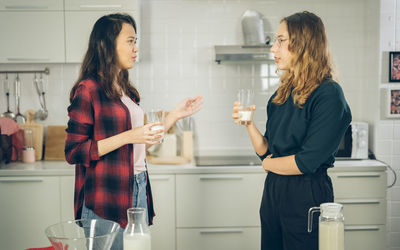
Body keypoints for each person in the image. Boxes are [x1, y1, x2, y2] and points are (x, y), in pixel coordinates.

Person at [65, 13, 203, 250]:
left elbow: (137, 145)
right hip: (105, 197)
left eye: (135, 41)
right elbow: (74, 152)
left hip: (137, 187)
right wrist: (129, 135)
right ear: (107, 45)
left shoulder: (126, 91)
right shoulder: (88, 89)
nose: (135, 48)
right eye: (130, 41)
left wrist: (174, 116)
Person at [232, 11, 351, 250]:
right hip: (273, 195)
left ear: (303, 43)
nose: (273, 49)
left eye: (280, 40)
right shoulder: (281, 95)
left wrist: (267, 165)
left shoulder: (328, 95)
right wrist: (249, 125)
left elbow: (306, 161)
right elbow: (267, 151)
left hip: (306, 196)